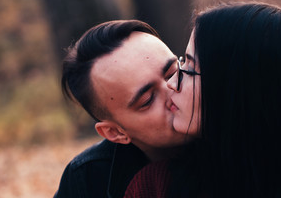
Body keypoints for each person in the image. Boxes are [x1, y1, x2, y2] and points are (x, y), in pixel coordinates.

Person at [124, 2, 281, 198]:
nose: (171, 83)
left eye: (189, 68)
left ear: (238, 88)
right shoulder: (155, 185)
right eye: (183, 62)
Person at [54, 20, 187, 198]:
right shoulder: (88, 179)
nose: (174, 90)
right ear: (115, 132)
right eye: (148, 100)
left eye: (173, 72)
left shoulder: (233, 130)